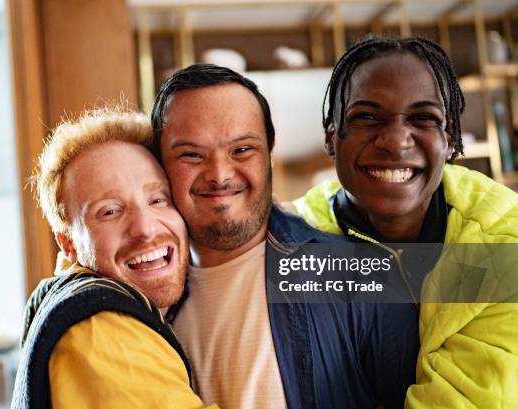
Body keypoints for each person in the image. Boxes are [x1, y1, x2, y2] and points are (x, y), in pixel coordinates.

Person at [151, 63, 420, 409]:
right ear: (160, 163)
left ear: (270, 154)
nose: (219, 175)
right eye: (191, 154)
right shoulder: (145, 305)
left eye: (242, 150)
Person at [292, 36, 518, 407]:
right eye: (366, 117)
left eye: (422, 118)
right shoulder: (292, 242)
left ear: (450, 140)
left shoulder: (503, 241)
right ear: (332, 138)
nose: (395, 142)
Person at [11, 107, 217, 409]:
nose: (145, 228)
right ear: (68, 244)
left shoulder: (70, 298)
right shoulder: (101, 328)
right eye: (109, 212)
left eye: (158, 199)